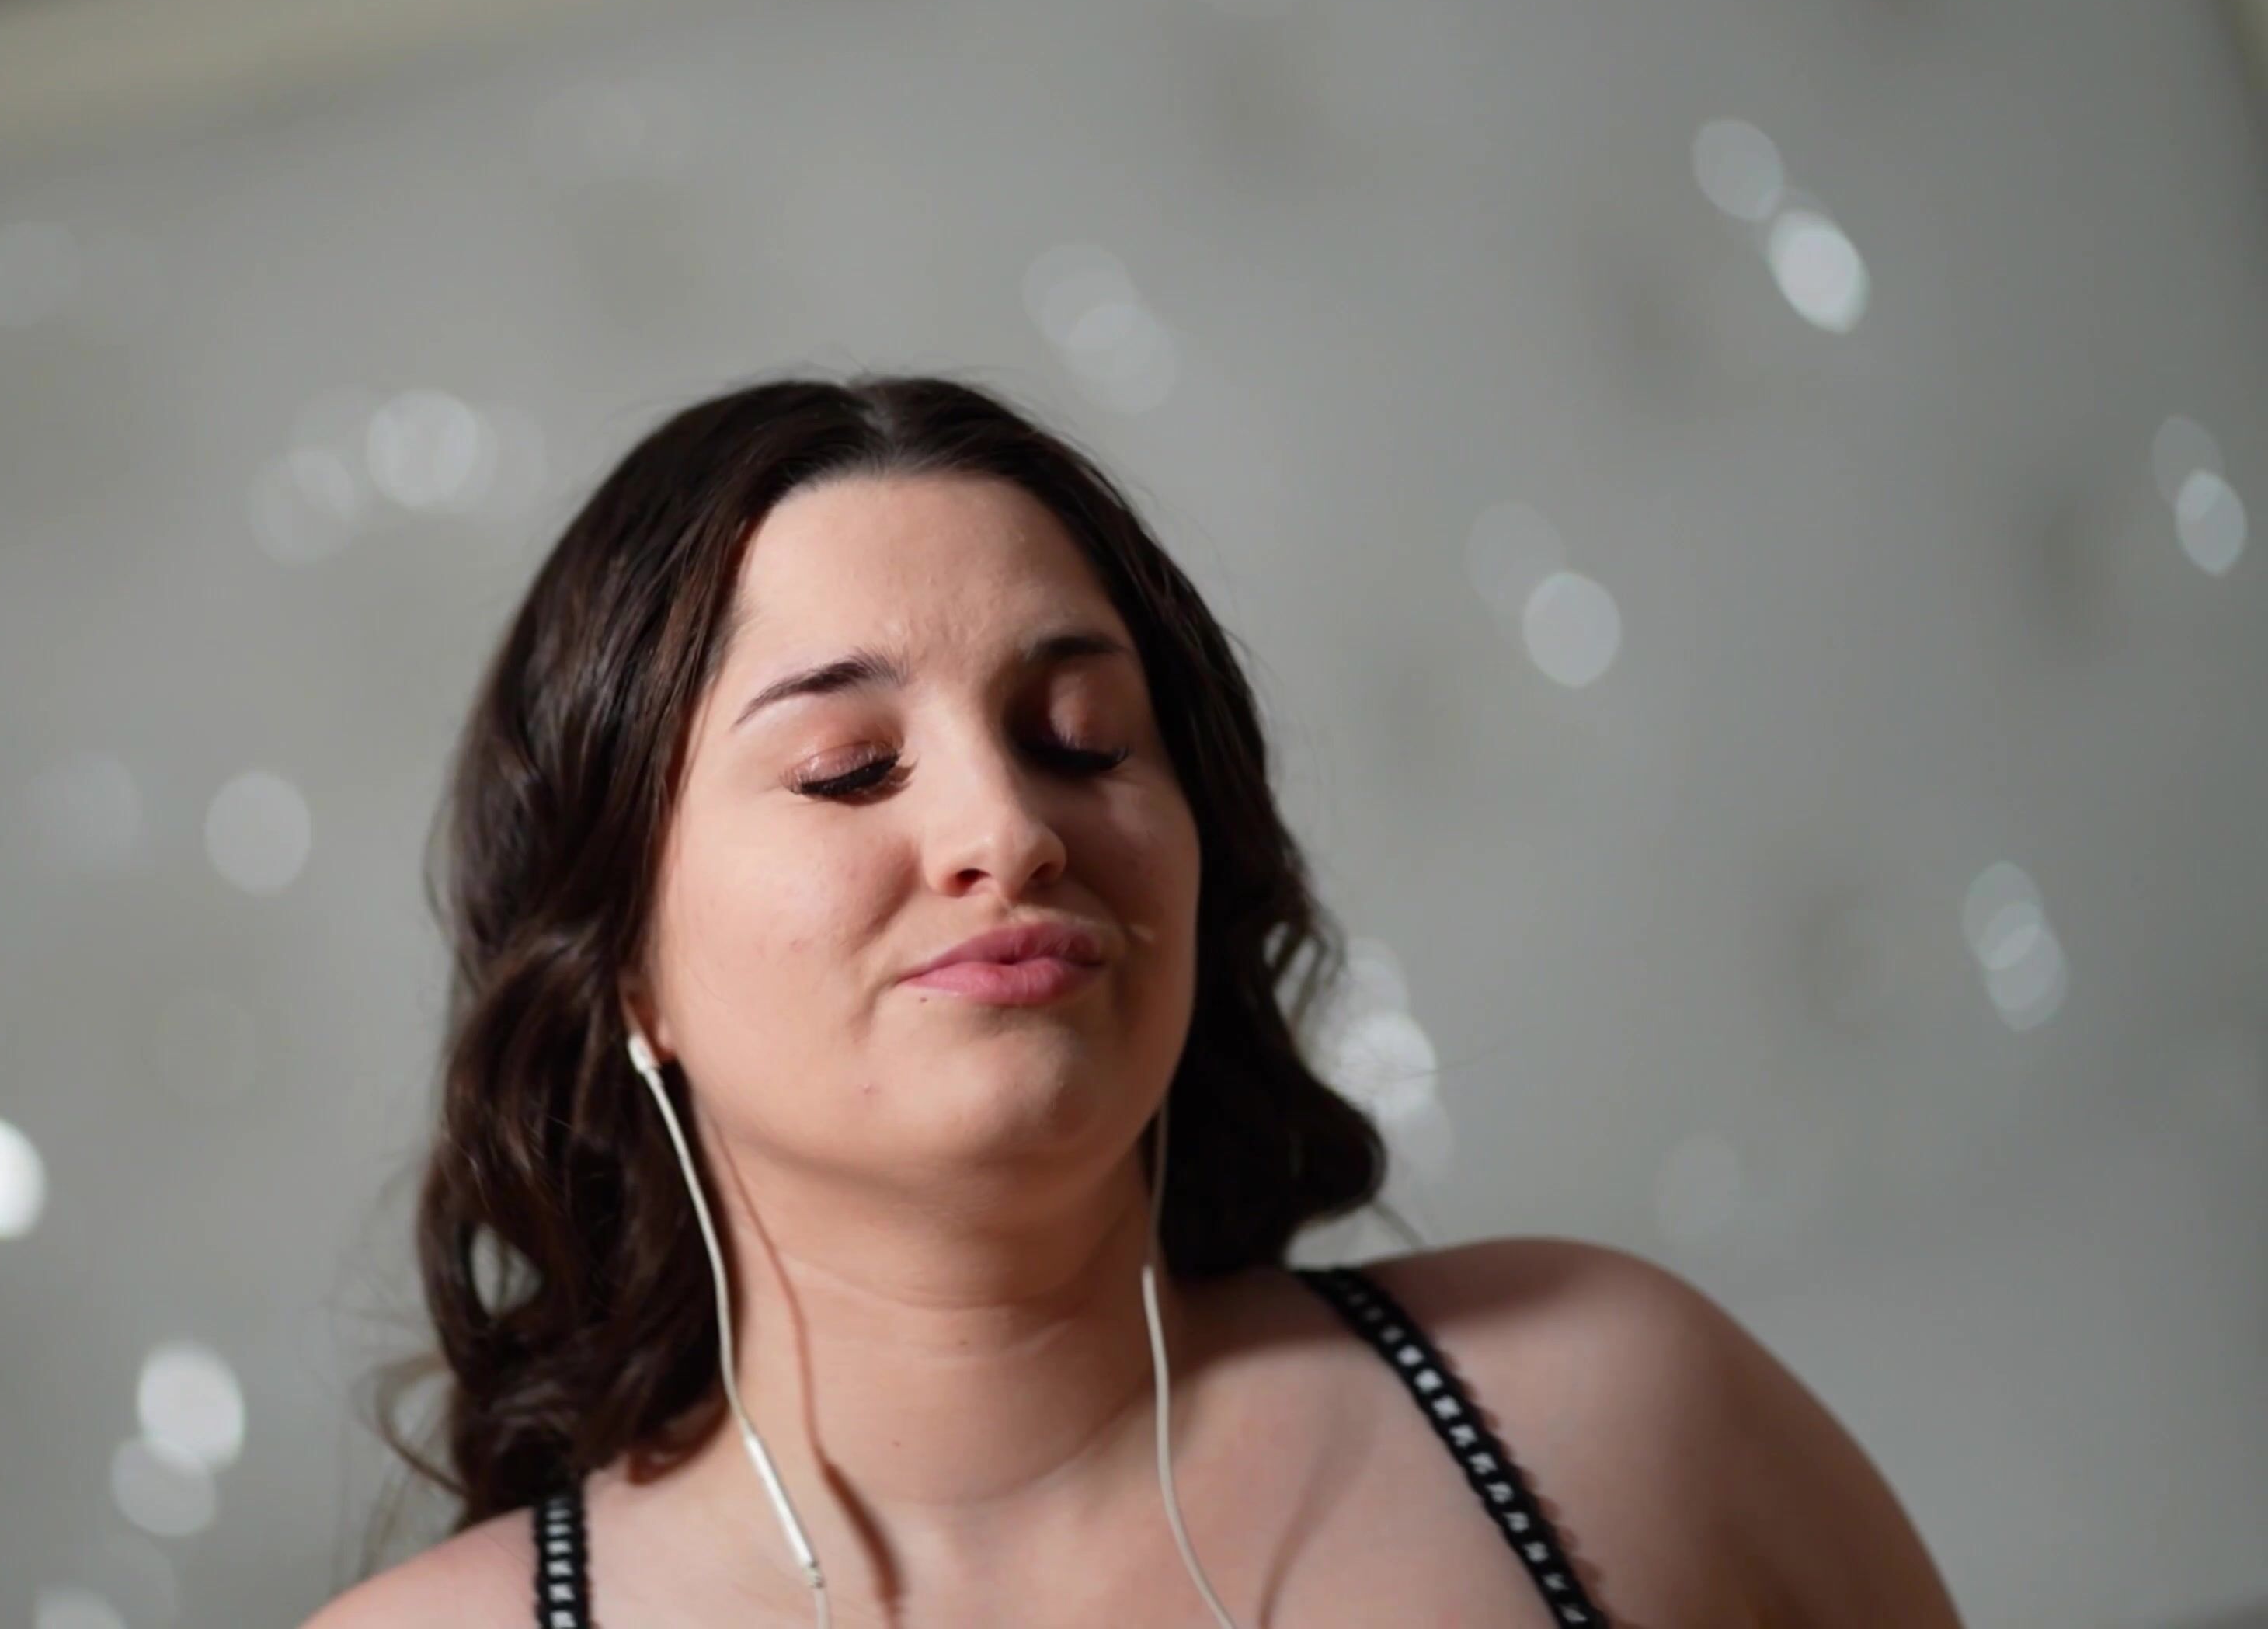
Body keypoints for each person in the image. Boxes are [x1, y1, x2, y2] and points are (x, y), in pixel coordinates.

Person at [307, 374, 1962, 1626]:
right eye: (848, 765)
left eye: (1082, 738)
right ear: (625, 968)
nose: (1009, 828)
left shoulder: (1619, 1417)